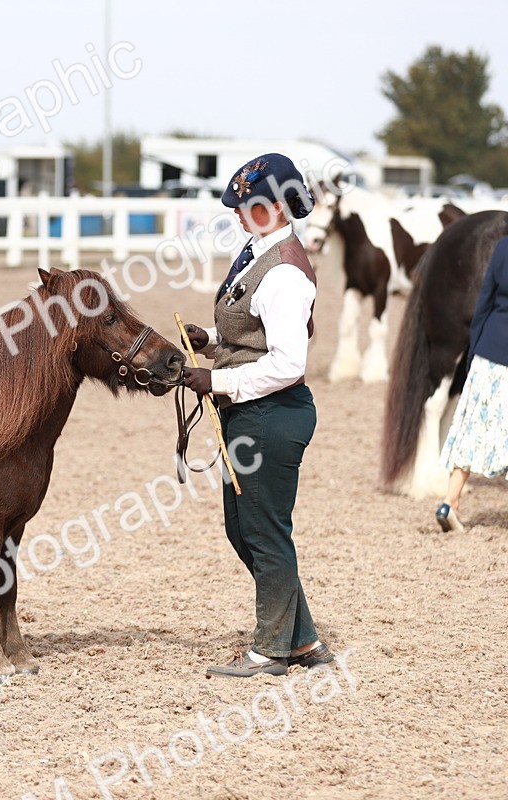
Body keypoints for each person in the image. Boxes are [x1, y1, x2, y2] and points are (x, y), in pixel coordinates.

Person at [181, 153, 333, 678]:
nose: (239, 215)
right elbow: (256, 332)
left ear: (271, 207)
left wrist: (217, 379)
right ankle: (305, 641)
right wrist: (213, 340)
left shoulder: (285, 272)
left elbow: (290, 362)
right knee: (246, 532)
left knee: (264, 534)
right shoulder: (258, 251)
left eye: (246, 206)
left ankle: (271, 650)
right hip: (252, 414)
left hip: (271, 416)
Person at [435, 174, 508, 541]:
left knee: (472, 432)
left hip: (491, 354)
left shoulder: (504, 249)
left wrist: (476, 355)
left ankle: (449, 503)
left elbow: (484, 304)